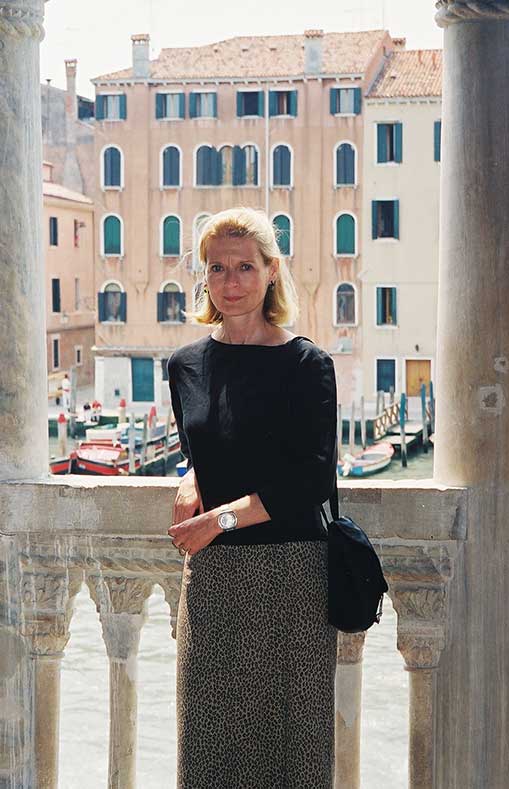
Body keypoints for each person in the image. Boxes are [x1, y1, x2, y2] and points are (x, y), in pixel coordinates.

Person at [167, 206, 338, 789]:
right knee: (209, 747)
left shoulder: (307, 365)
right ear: (204, 277)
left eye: (244, 267)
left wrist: (219, 518)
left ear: (271, 271)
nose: (230, 282)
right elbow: (204, 442)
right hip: (213, 581)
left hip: (291, 578)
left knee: (291, 749)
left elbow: (309, 480)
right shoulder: (183, 365)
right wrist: (192, 476)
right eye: (217, 268)